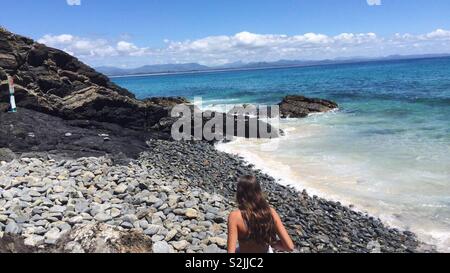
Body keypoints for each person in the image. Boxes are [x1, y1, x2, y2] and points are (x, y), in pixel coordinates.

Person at [227, 175, 295, 253]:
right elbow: (289, 247)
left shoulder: (234, 216)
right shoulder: (270, 212)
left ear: (239, 193)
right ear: (258, 192)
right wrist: (273, 244)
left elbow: (230, 252)